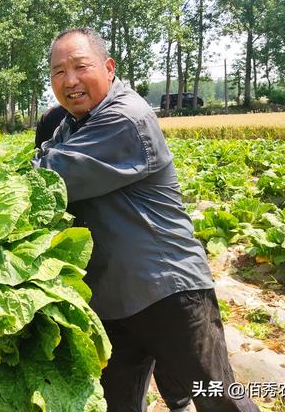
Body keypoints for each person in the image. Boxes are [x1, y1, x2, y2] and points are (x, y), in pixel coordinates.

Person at [33, 28, 259, 412]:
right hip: (112, 302)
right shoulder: (72, 124)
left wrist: (39, 159)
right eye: (58, 72)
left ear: (108, 68)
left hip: (168, 293)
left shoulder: (126, 118)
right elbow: (46, 154)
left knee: (221, 401)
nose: (69, 81)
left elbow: (48, 176)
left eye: (80, 67)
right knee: (114, 404)